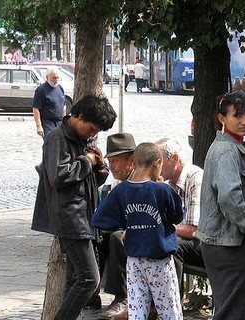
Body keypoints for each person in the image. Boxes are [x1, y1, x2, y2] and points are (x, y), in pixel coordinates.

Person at [31, 95, 117, 320]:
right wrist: (87, 161)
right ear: (79, 116)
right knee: (89, 279)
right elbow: (58, 176)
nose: (93, 133)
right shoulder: (56, 139)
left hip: (85, 215)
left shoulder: (82, 140)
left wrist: (100, 167)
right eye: (91, 128)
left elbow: (87, 181)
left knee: (75, 279)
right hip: (69, 216)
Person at [92, 142, 184, 320]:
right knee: (169, 308)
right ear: (157, 163)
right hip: (159, 259)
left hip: (134, 260)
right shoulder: (162, 190)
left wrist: (127, 223)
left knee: (137, 308)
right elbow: (177, 216)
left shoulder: (122, 190)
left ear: (133, 162)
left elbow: (99, 219)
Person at [196, 91, 245, 320]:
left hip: (224, 242)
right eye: (238, 116)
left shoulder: (228, 147)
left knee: (229, 310)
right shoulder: (227, 150)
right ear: (222, 118)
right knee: (232, 312)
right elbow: (229, 198)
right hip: (230, 244)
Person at [155, 138, 205, 294]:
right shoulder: (169, 184)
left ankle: (171, 305)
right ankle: (150, 304)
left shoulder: (196, 178)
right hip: (186, 239)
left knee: (172, 245)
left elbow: (193, 230)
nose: (156, 166)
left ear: (175, 159)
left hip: (206, 243)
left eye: (160, 161)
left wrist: (160, 229)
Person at [95, 132, 137, 318]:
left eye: (116, 160)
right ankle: (90, 291)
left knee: (116, 238)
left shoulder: (143, 181)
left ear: (132, 160)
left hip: (145, 233)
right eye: (110, 161)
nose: (112, 166)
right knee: (97, 235)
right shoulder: (118, 184)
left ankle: (122, 297)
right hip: (127, 229)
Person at [32, 68, 66, 138]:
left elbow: (63, 106)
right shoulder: (41, 90)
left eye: (57, 78)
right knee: (51, 145)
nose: (56, 80)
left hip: (60, 123)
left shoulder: (60, 88)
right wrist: (39, 126)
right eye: (53, 78)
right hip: (48, 123)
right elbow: (36, 108)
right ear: (47, 77)